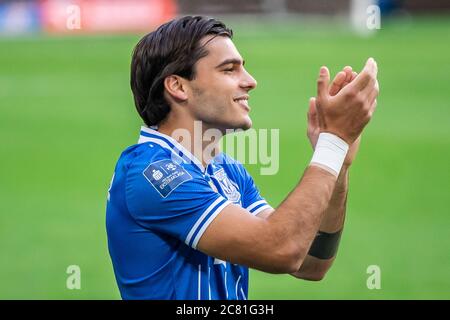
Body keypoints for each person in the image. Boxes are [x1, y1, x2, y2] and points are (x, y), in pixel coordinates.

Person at [106, 15, 379, 300]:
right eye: (229, 70)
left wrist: (338, 160)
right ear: (178, 86)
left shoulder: (227, 171)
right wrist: (332, 143)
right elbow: (281, 250)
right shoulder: (154, 175)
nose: (250, 82)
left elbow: (311, 262)